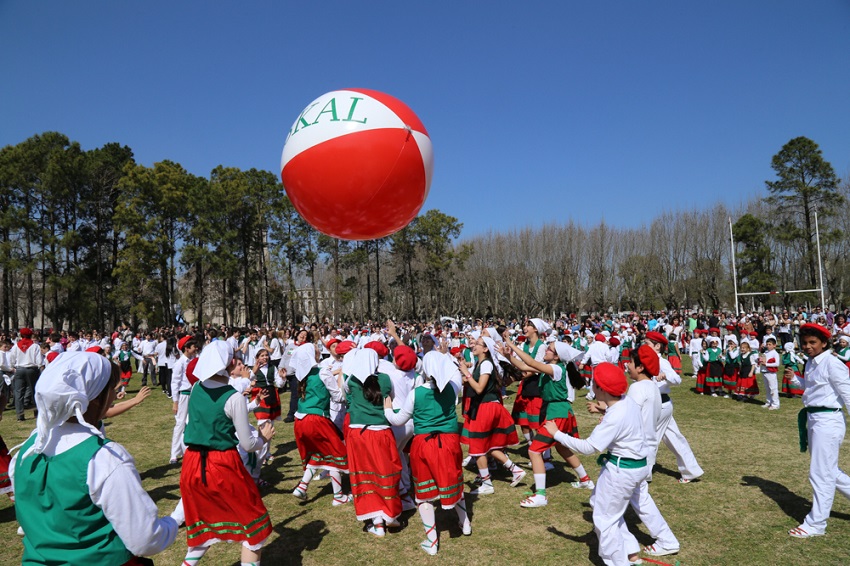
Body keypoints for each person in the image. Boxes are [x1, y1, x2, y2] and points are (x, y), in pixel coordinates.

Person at [10, 351, 182, 564]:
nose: (114, 394)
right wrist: (176, 519)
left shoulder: (26, 451)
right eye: (111, 388)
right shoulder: (104, 459)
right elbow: (146, 539)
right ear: (93, 398)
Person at [544, 362, 649, 566]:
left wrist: (556, 433)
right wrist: (603, 411)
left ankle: (618, 562)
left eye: (595, 383)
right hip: (634, 467)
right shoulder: (626, 402)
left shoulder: (615, 415)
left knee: (604, 518)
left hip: (621, 471)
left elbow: (589, 447)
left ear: (601, 389)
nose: (592, 386)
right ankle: (630, 551)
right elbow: (616, 414)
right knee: (601, 504)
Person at [179, 341, 274, 564]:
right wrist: (264, 438)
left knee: (203, 526)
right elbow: (248, 444)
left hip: (192, 464)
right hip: (222, 465)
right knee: (254, 527)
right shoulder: (233, 397)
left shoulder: (196, 388)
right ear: (231, 363)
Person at [383, 351, 472, 555]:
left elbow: (398, 420)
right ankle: (464, 523)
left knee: (424, 494)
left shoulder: (416, 393)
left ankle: (432, 541)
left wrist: (388, 409)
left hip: (424, 444)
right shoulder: (453, 388)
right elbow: (456, 374)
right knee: (454, 480)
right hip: (450, 442)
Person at [503, 336, 594, 507]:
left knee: (534, 451)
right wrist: (508, 357)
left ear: (557, 356)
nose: (546, 350)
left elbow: (529, 361)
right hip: (560, 411)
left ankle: (541, 495)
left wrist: (510, 344)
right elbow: (523, 366)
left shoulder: (555, 368)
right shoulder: (553, 367)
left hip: (557, 413)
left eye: (550, 349)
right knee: (561, 447)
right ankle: (585, 479)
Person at [789, 323, 850, 538]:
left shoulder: (833, 364)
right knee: (829, 471)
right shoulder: (812, 363)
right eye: (805, 343)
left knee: (820, 473)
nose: (807, 347)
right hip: (814, 418)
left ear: (824, 343)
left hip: (828, 420)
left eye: (812, 342)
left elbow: (847, 393)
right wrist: (796, 380)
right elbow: (813, 387)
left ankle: (817, 524)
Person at [343, 347, 402, 537]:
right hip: (381, 431)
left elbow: (345, 397)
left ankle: (377, 522)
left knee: (365, 475)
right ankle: (389, 514)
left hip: (358, 433)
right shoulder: (385, 379)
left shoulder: (351, 380)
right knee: (386, 472)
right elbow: (389, 399)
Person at [457, 336, 524, 495]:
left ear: (485, 349)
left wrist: (466, 374)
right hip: (485, 406)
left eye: (477, 344)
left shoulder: (486, 363)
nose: (473, 345)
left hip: (487, 407)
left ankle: (486, 483)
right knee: (490, 445)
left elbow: (479, 388)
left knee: (478, 446)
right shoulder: (481, 363)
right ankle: (516, 470)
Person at [290, 342, 351, 506]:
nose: (319, 350)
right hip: (316, 420)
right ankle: (338, 496)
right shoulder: (323, 372)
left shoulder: (301, 375)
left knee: (319, 453)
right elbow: (338, 397)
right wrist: (344, 380)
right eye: (316, 349)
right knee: (335, 453)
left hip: (300, 420)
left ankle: (302, 486)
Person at [644, 331, 703, 483]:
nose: (644, 346)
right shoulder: (645, 359)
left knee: (649, 439)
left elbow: (677, 380)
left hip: (659, 405)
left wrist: (665, 375)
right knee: (674, 437)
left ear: (657, 347)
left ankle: (644, 474)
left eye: (648, 344)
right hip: (656, 405)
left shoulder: (661, 362)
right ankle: (691, 470)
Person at [169, 336, 198, 465]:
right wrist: (175, 401)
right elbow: (174, 383)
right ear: (187, 348)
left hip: (193, 394)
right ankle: (174, 454)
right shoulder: (179, 363)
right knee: (180, 423)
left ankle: (187, 449)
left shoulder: (194, 360)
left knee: (191, 422)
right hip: (183, 395)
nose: (196, 349)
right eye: (193, 347)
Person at [10, 327, 42, 421]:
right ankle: (37, 412)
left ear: (21, 335)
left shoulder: (16, 345)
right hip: (32, 369)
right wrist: (40, 366)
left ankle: (20, 415)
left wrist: (13, 366)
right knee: (34, 391)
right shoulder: (35, 346)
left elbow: (12, 358)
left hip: (19, 369)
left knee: (18, 392)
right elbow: (39, 360)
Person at [761, 338, 781, 410]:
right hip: (764, 371)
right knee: (767, 388)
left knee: (773, 388)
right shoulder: (765, 352)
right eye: (767, 344)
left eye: (770, 344)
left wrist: (766, 364)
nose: (768, 346)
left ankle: (775, 404)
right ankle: (768, 401)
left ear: (774, 345)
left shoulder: (775, 353)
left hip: (771, 372)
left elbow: (777, 363)